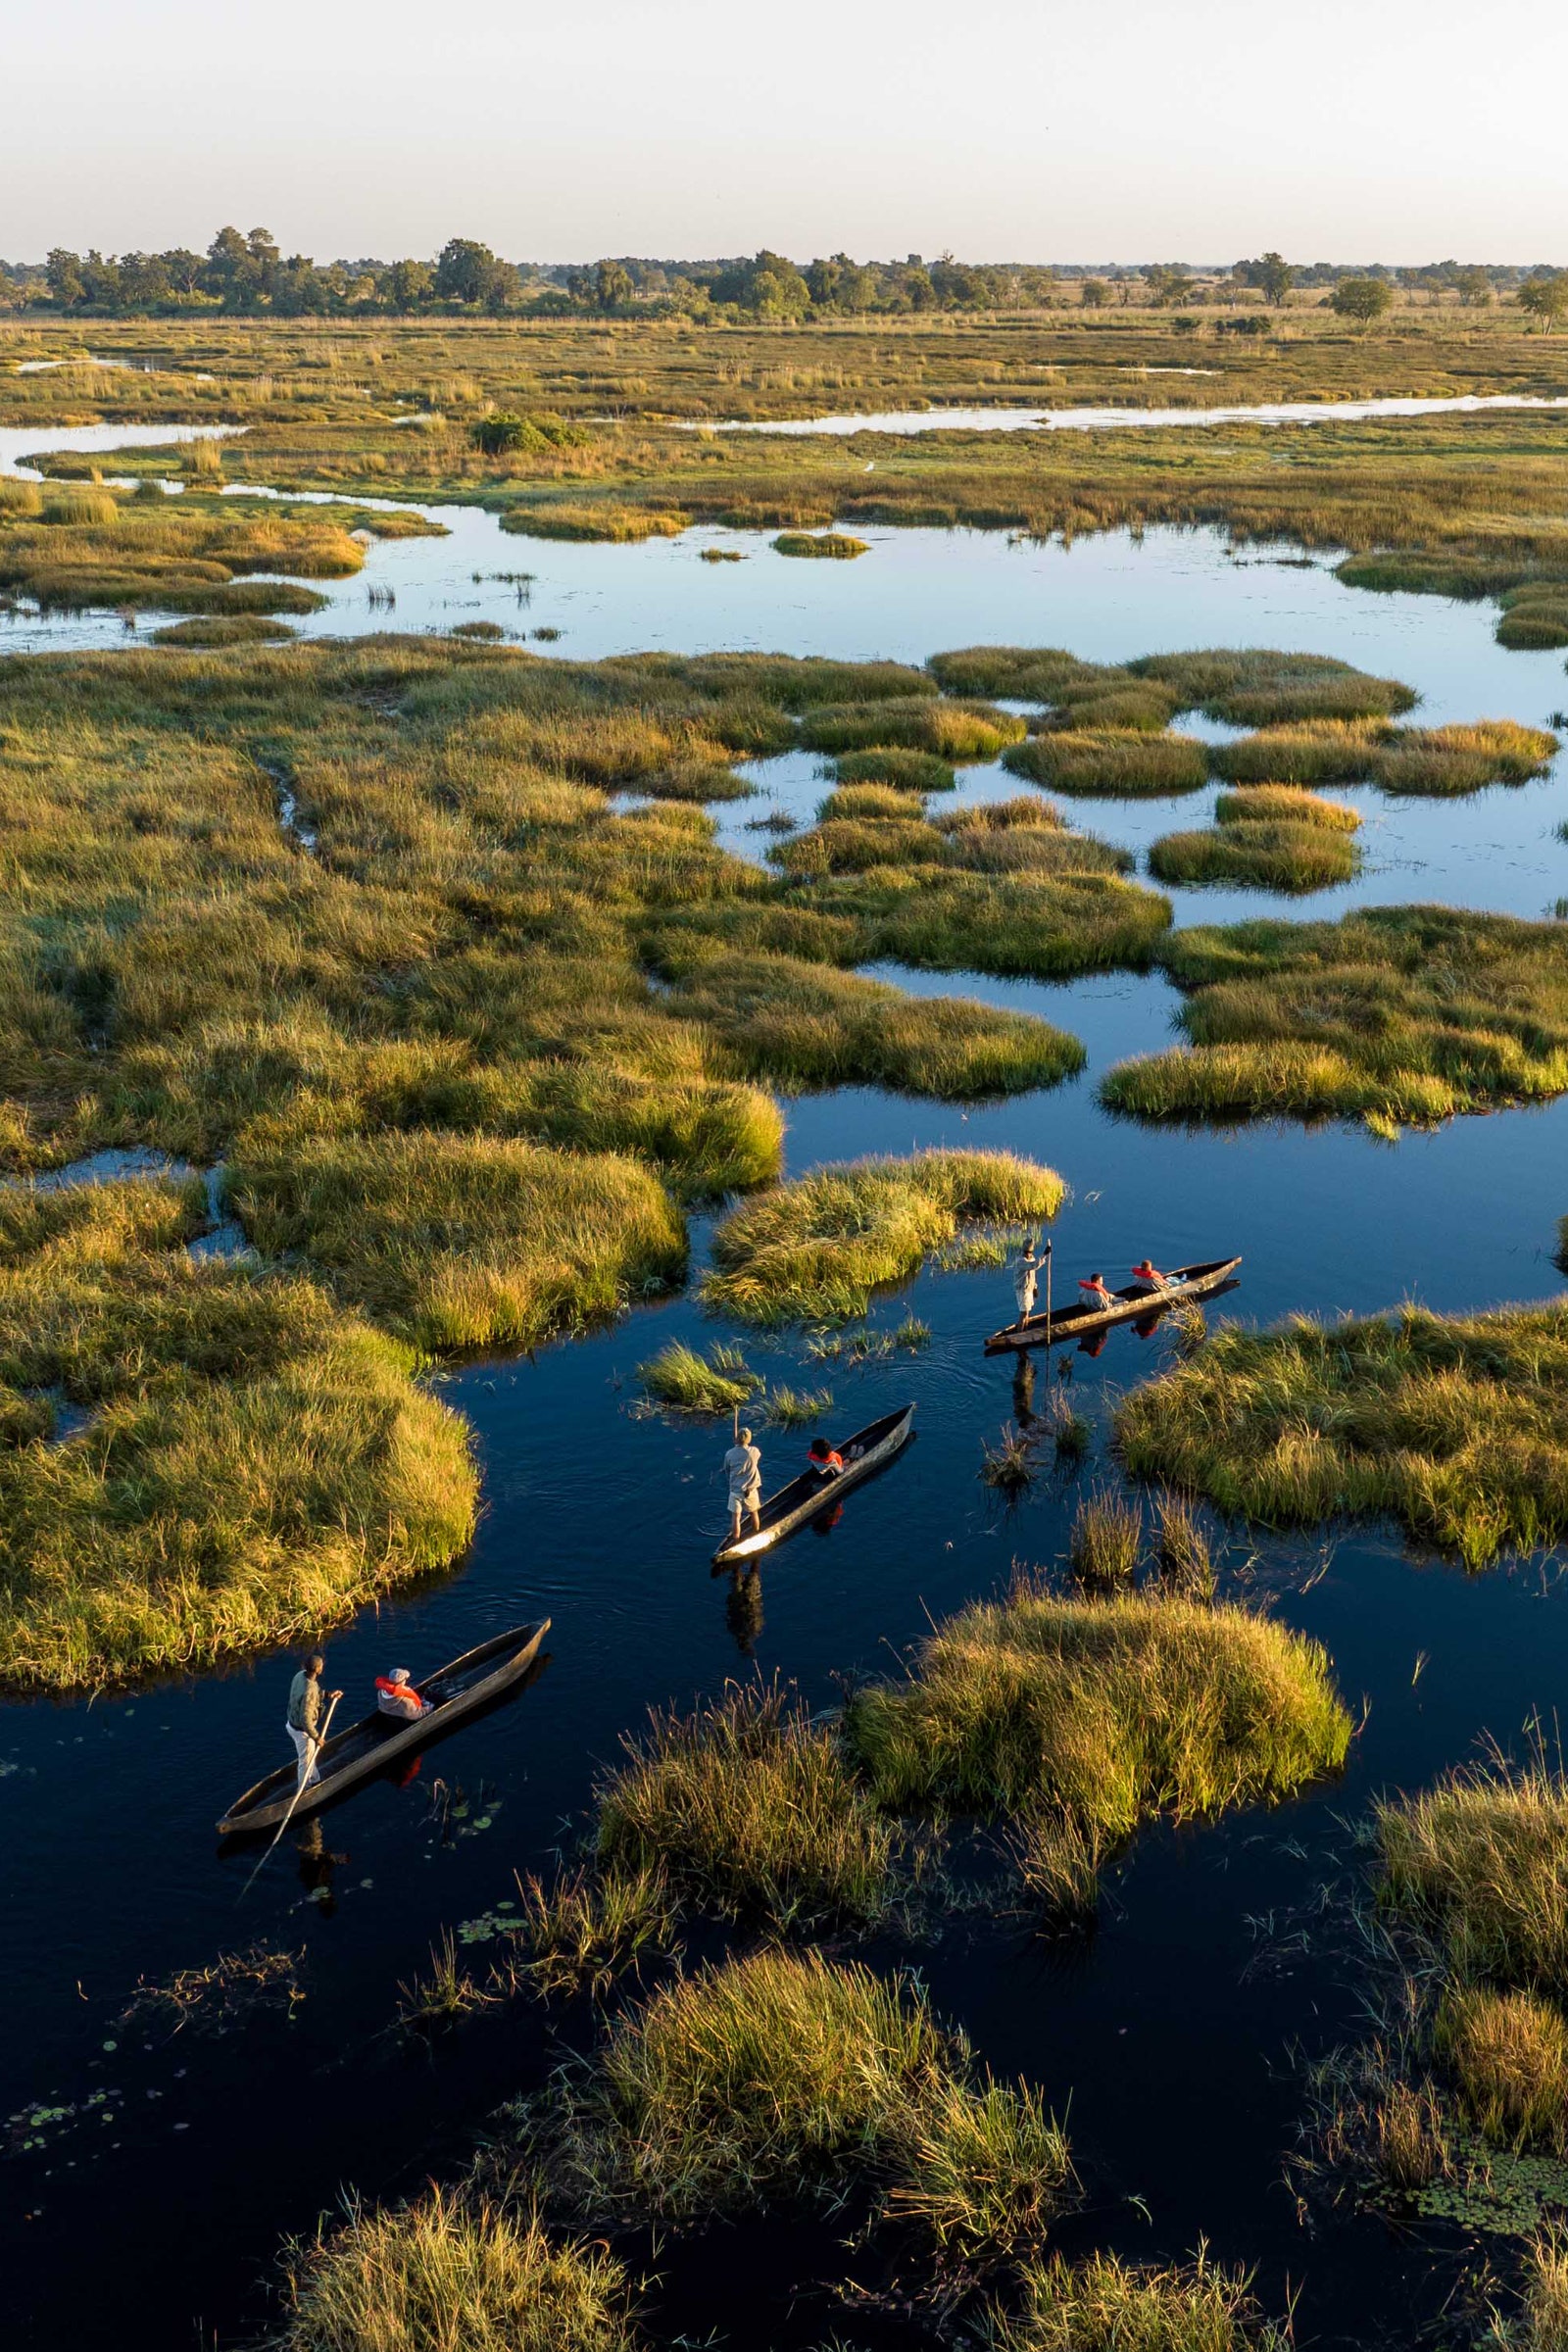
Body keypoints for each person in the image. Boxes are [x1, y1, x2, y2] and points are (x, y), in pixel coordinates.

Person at [286, 1651, 342, 1790]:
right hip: (302, 1732)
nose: (322, 1667)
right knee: (304, 1763)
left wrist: (328, 1695)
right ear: (318, 1669)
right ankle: (304, 1790)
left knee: (309, 1756)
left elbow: (310, 1695)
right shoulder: (310, 1690)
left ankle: (315, 1779)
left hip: (291, 1724)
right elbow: (305, 1720)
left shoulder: (300, 1675)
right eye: (321, 1665)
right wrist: (317, 1737)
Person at [724, 1425, 762, 1544]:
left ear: (737, 1439)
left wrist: (736, 1447)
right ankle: (756, 1533)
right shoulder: (755, 1451)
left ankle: (736, 1540)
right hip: (750, 1490)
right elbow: (756, 1457)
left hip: (735, 1490)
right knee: (753, 1512)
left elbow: (727, 1469)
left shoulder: (729, 1454)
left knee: (736, 1517)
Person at [1013, 1238, 1039, 1323]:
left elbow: (1032, 1275)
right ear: (1024, 1252)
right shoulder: (1021, 1261)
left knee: (1027, 1312)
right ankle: (1020, 1333)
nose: (1029, 1255)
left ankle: (1026, 1330)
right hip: (1022, 1290)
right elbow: (1033, 1266)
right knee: (1023, 1312)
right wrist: (1044, 1255)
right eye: (1027, 1253)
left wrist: (1035, 1288)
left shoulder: (1032, 1259)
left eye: (1030, 1253)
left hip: (1029, 1289)